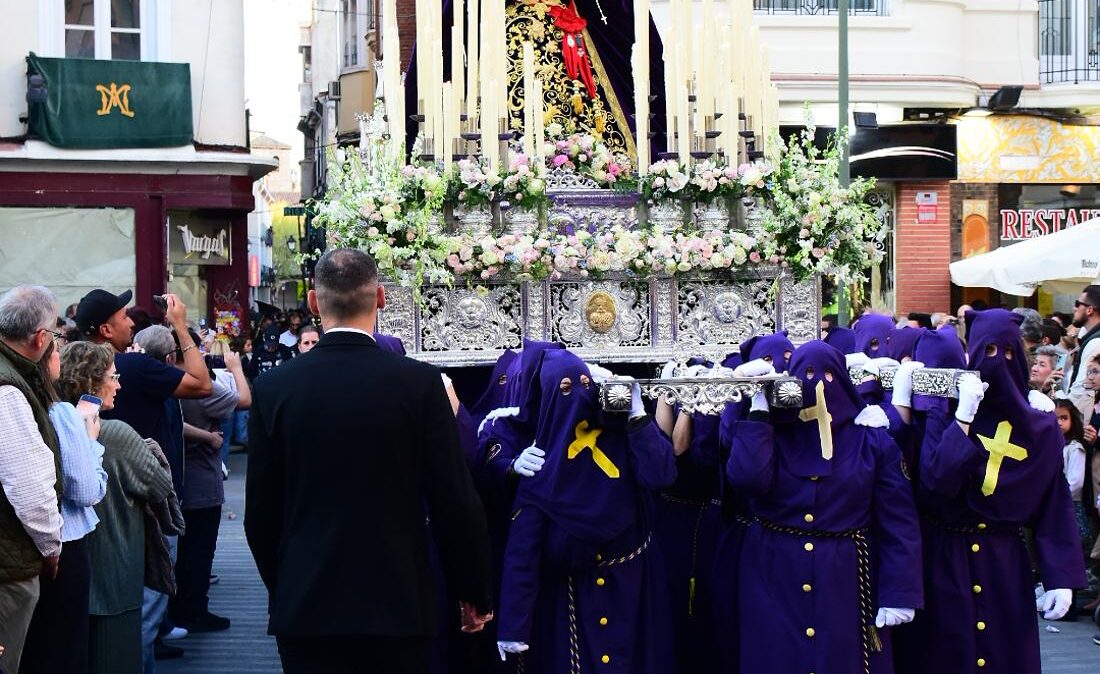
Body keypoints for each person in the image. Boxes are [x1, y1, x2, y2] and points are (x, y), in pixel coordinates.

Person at [245, 248, 493, 674]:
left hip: (307, 604)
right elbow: (454, 499)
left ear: (313, 302)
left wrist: (287, 585)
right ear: (380, 297)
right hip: (399, 602)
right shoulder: (419, 384)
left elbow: (261, 515)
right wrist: (473, 590)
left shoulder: (274, 389)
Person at [894, 309, 1085, 674]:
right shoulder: (945, 412)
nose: (1000, 361)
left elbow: (1053, 501)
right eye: (990, 352)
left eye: (1010, 352)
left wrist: (1060, 575)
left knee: (1003, 653)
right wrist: (959, 419)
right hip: (943, 556)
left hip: (1004, 564)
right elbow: (936, 482)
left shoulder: (1038, 427)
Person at [724, 340, 922, 674]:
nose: (818, 385)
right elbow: (746, 479)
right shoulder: (772, 433)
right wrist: (757, 409)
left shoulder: (871, 439)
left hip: (845, 576)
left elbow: (898, 520)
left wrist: (899, 590)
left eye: (829, 375)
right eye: (807, 374)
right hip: (774, 570)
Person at [494, 350, 676, 673]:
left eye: (584, 384)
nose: (578, 395)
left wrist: (637, 415)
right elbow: (522, 553)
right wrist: (513, 626)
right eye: (565, 389)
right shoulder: (541, 466)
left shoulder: (622, 437)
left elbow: (660, 474)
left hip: (633, 592)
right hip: (571, 605)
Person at [77, 288, 212, 669]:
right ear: (105, 330)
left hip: (89, 505)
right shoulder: (134, 367)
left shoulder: (71, 367)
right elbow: (201, 384)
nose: (131, 322)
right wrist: (180, 326)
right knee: (145, 611)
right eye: (123, 316)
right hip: (144, 504)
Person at [55, 341, 173, 674]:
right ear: (91, 382)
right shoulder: (117, 434)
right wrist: (152, 451)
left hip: (66, 570)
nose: (119, 385)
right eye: (113, 376)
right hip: (115, 572)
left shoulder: (53, 424)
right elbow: (160, 486)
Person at [20, 341, 108, 674]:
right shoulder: (62, 413)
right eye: (56, 350)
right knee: (63, 646)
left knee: (32, 645)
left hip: (21, 542)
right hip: (62, 542)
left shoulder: (19, 402)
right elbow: (86, 490)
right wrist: (91, 444)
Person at [0, 286, 64, 673]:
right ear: (41, 338)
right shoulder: (8, 388)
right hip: (8, 562)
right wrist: (50, 544)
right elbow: (27, 485)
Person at [170, 332, 250, 634]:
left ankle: (177, 610)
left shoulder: (161, 381)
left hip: (174, 476)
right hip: (201, 479)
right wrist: (236, 369)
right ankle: (195, 611)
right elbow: (244, 400)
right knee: (200, 551)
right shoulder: (201, 388)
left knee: (181, 551)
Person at [1067, 285, 1100, 423]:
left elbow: (1082, 388)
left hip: (1086, 422)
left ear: (1089, 310)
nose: (1074, 308)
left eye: (1077, 304)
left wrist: (1064, 414)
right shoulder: (1092, 339)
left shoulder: (1095, 342)